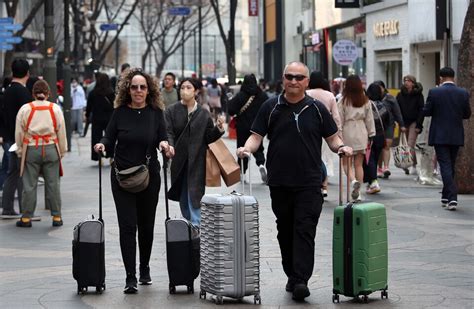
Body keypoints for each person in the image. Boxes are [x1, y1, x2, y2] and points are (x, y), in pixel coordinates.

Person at [237, 62, 352, 302]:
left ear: (307, 82)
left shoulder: (317, 108)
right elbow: (256, 136)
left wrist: (342, 147)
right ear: (283, 78)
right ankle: (292, 273)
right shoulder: (271, 106)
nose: (294, 81)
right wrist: (246, 149)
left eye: (299, 77)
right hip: (279, 181)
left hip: (310, 181)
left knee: (304, 229)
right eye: (289, 76)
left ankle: (301, 279)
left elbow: (332, 138)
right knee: (285, 230)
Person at [94, 68, 173, 294]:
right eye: (134, 87)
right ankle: (130, 277)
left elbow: (163, 136)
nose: (138, 91)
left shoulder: (156, 112)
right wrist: (102, 144)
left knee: (146, 225)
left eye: (143, 87)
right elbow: (109, 137)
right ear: (127, 90)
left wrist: (165, 145)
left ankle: (144, 267)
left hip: (149, 176)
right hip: (122, 177)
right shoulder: (119, 112)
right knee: (127, 226)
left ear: (149, 91)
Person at [165, 78, 225, 227]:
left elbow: (209, 138)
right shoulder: (171, 111)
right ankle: (187, 224)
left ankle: (196, 227)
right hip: (179, 161)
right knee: (183, 198)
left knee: (195, 195)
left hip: (197, 161)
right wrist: (170, 146)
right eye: (182, 87)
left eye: (188, 87)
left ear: (196, 91)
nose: (185, 90)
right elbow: (168, 132)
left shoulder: (203, 114)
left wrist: (219, 128)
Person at [14, 80, 67, 227]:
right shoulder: (55, 108)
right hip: (51, 147)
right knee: (53, 183)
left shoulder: (25, 109)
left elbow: (19, 132)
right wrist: (62, 150)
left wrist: (19, 150)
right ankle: (56, 217)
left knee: (29, 184)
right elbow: (61, 131)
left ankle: (26, 218)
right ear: (48, 93)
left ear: (33, 94)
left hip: (31, 148)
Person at [423, 67, 471, 211]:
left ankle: (452, 198)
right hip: (456, 134)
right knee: (450, 164)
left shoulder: (434, 92)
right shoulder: (463, 93)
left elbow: (427, 112)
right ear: (453, 77)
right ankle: (445, 196)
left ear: (441, 78)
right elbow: (467, 114)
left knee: (445, 165)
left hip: (439, 134)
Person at [1, 59, 33, 219]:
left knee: (12, 172)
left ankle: (7, 207)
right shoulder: (25, 93)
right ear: (27, 73)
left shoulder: (5, 92)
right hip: (21, 139)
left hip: (8, 138)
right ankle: (24, 208)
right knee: (22, 173)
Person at [338, 75, 376, 202]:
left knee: (346, 163)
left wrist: (339, 137)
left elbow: (339, 121)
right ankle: (357, 193)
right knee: (359, 164)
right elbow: (370, 120)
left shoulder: (343, 101)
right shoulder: (365, 100)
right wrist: (371, 134)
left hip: (348, 131)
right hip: (362, 132)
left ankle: (353, 181)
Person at [306, 71, 342, 197]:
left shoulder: (306, 93)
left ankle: (317, 182)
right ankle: (325, 185)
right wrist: (339, 133)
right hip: (327, 131)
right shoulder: (330, 95)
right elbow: (336, 117)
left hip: (309, 131)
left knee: (314, 157)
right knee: (326, 158)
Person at [228, 74, 268, 183]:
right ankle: (260, 164)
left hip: (242, 127)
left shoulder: (241, 95)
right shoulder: (262, 95)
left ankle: (242, 174)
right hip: (257, 127)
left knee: (243, 149)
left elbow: (231, 110)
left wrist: (230, 100)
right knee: (258, 147)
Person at [364, 83, 393, 194]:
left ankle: (373, 182)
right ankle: (371, 181)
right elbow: (388, 122)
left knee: (369, 159)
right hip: (381, 136)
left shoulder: (367, 105)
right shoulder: (383, 106)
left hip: (370, 136)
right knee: (374, 159)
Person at [373, 80, 405, 179]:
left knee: (386, 145)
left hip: (389, 125)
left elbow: (397, 111)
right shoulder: (372, 98)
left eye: (380, 87)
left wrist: (401, 124)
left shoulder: (390, 98)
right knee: (378, 147)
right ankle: (379, 168)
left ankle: (386, 168)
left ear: (383, 87)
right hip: (376, 126)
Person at [396, 74, 425, 175]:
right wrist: (400, 123)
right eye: (405, 81)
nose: (406, 82)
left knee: (410, 145)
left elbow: (422, 110)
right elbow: (397, 110)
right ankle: (407, 163)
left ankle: (412, 165)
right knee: (405, 145)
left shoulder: (418, 95)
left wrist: (419, 125)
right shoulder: (400, 95)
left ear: (413, 83)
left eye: (408, 81)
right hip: (403, 122)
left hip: (414, 122)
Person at [85, 72, 115, 162]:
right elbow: (115, 106)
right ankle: (111, 156)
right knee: (110, 137)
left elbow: (88, 107)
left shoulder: (93, 93)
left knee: (96, 138)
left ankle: (98, 156)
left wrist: (87, 115)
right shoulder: (111, 93)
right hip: (109, 119)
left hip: (97, 119)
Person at [0, 77, 12, 192]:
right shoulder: (3, 98)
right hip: (4, 135)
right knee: (9, 160)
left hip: (6, 134)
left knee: (6, 162)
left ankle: (1, 185)